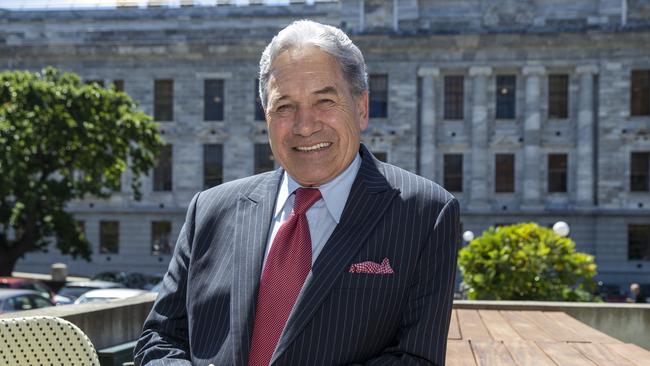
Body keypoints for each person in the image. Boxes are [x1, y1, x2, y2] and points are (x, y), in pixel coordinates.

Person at [134, 20, 460, 366]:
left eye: (324, 101)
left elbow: (416, 358)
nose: (305, 125)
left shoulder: (426, 213)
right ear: (267, 116)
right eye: (285, 106)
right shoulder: (210, 210)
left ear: (361, 108)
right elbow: (159, 339)